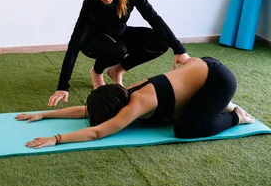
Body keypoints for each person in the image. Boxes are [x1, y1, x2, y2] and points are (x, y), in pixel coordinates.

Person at [16, 56, 255, 149]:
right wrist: (43, 114)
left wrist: (55, 139)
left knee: (185, 129)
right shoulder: (122, 92)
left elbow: (97, 133)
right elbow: (86, 111)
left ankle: (235, 114)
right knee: (168, 116)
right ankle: (212, 104)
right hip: (199, 72)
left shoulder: (137, 103)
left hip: (217, 81)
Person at [48, 0, 190, 107]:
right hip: (93, 41)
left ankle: (117, 71)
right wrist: (63, 85)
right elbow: (75, 43)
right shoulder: (90, 4)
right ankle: (97, 72)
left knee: (161, 41)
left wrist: (179, 49)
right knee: (118, 50)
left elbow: (154, 19)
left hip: (119, 34)